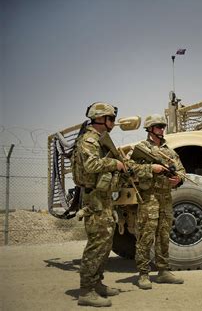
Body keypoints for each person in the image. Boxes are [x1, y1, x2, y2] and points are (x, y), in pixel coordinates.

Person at [73, 102, 125, 307]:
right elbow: (91, 164)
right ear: (100, 119)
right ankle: (86, 291)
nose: (113, 122)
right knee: (96, 243)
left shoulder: (99, 139)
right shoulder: (89, 139)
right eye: (110, 119)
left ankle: (97, 284)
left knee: (106, 242)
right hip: (93, 198)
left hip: (102, 197)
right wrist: (115, 164)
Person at [128, 114, 185, 290]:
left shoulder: (169, 151)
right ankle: (143, 273)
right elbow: (129, 169)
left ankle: (163, 271)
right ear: (150, 129)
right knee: (146, 235)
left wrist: (179, 179)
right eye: (158, 126)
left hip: (166, 197)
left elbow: (182, 170)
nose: (162, 129)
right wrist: (150, 169)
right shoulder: (141, 149)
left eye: (163, 126)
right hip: (149, 197)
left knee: (164, 235)